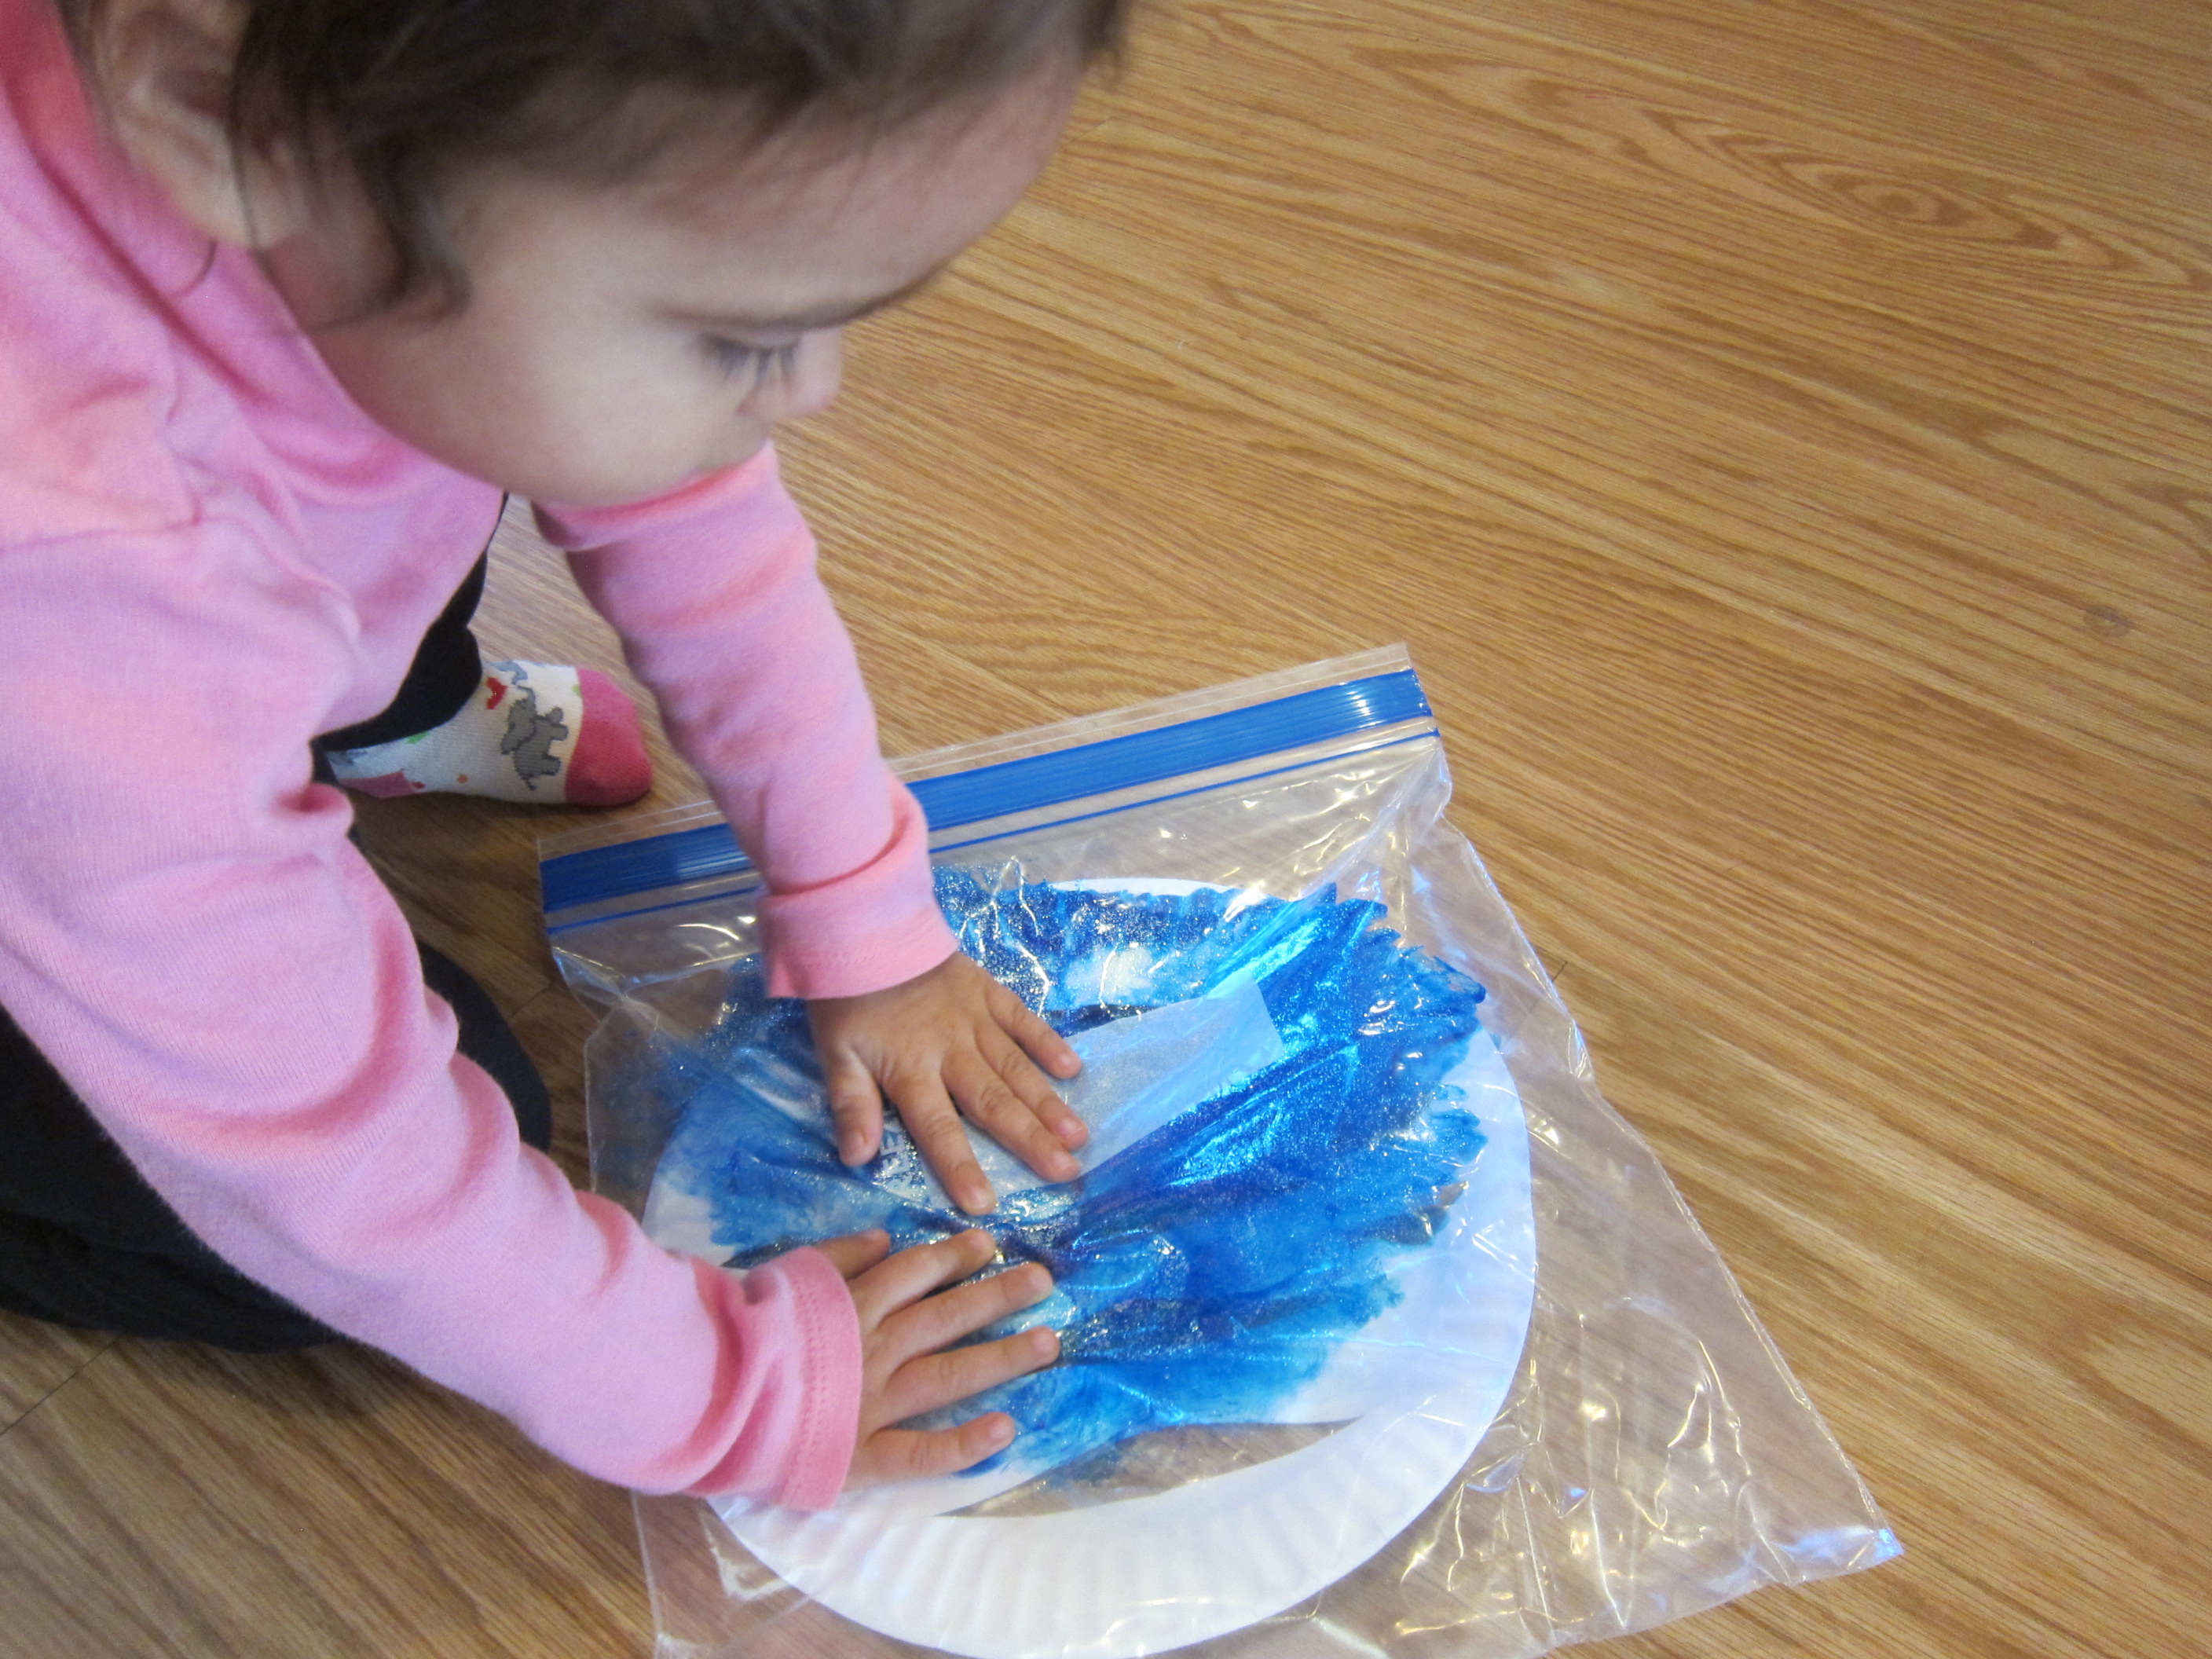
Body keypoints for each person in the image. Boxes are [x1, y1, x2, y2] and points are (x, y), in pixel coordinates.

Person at [0, 0, 1128, 1508]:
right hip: (70, 757)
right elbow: (307, 1139)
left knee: (521, 424)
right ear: (224, 121)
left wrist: (858, 899)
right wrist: (724, 1395)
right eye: (746, 337)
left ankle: (382, 712)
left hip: (177, 654)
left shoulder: (320, 150)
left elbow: (690, 513)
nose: (813, 393)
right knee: (320, 1219)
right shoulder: (84, 559)